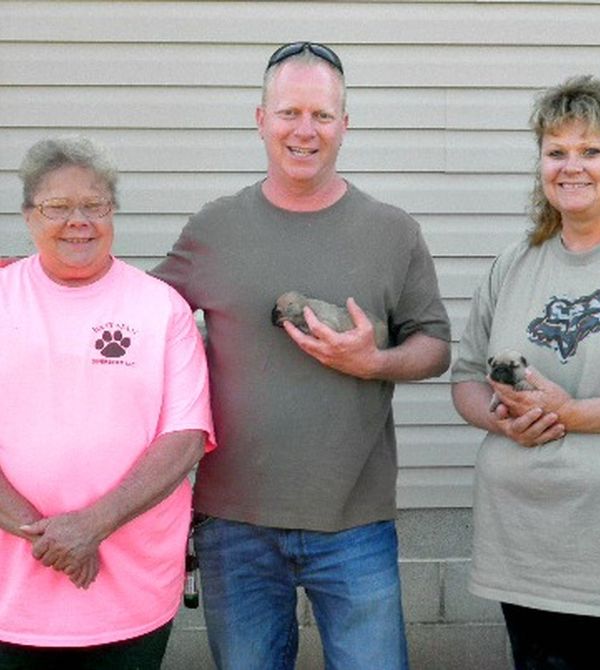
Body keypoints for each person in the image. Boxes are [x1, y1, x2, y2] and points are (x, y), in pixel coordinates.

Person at [152, 41, 451, 669]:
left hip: (355, 522)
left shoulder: (394, 231)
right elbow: (142, 317)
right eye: (289, 113)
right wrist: (46, 280)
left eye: (321, 115)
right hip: (233, 521)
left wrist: (375, 363)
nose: (305, 130)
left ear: (345, 124)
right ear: (260, 119)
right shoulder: (214, 227)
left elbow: (435, 347)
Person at [451, 74, 600, 669]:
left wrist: (573, 414)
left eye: (591, 151)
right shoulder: (515, 261)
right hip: (526, 558)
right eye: (556, 152)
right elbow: (466, 378)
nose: (571, 167)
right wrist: (502, 424)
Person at [0, 136, 215, 669]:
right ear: (29, 216)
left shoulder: (161, 307)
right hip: (11, 593)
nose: (79, 220)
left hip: (132, 590)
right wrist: (47, 535)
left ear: (112, 212)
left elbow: (185, 437)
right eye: (57, 206)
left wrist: (90, 525)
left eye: (94, 205)